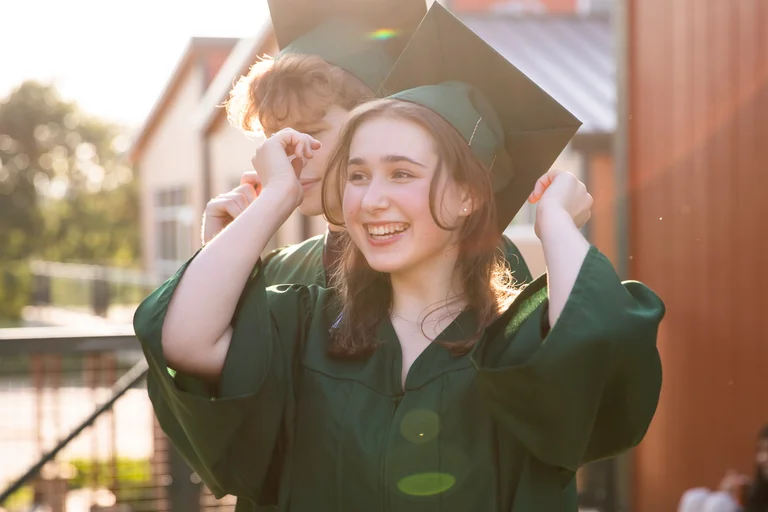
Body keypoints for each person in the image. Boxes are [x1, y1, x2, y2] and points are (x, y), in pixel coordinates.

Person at [134, 4, 664, 511]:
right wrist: (233, 240)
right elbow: (193, 350)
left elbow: (582, 367)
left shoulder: (503, 321)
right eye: (360, 174)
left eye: (401, 170)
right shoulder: (293, 307)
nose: (290, 152)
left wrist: (557, 227)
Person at [204, 0, 532, 288]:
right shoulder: (280, 272)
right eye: (274, 138)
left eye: (312, 132)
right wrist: (223, 252)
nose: (288, 156)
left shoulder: (477, 257)